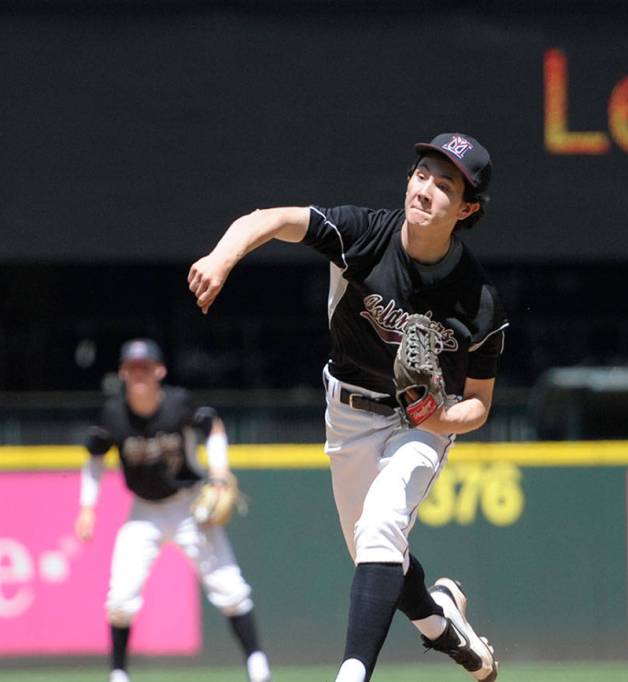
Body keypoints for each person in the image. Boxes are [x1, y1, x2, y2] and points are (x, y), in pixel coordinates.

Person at [187, 133, 506, 681]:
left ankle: (351, 675)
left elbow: (478, 404)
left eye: (445, 184)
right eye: (422, 174)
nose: (425, 189)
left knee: (382, 528)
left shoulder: (477, 300)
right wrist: (222, 257)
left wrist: (440, 419)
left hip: (420, 424)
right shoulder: (362, 234)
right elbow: (270, 219)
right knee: (376, 559)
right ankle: (442, 623)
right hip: (349, 412)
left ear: (467, 208)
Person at [75, 338, 272, 682]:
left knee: (229, 588)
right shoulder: (113, 415)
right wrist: (87, 507)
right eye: (132, 368)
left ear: (159, 371)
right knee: (120, 597)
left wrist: (221, 473)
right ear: (122, 372)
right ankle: (118, 674)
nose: (139, 374)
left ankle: (258, 666)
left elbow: (213, 426)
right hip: (144, 512)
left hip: (188, 507)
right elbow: (94, 457)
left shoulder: (177, 404)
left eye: (145, 367)